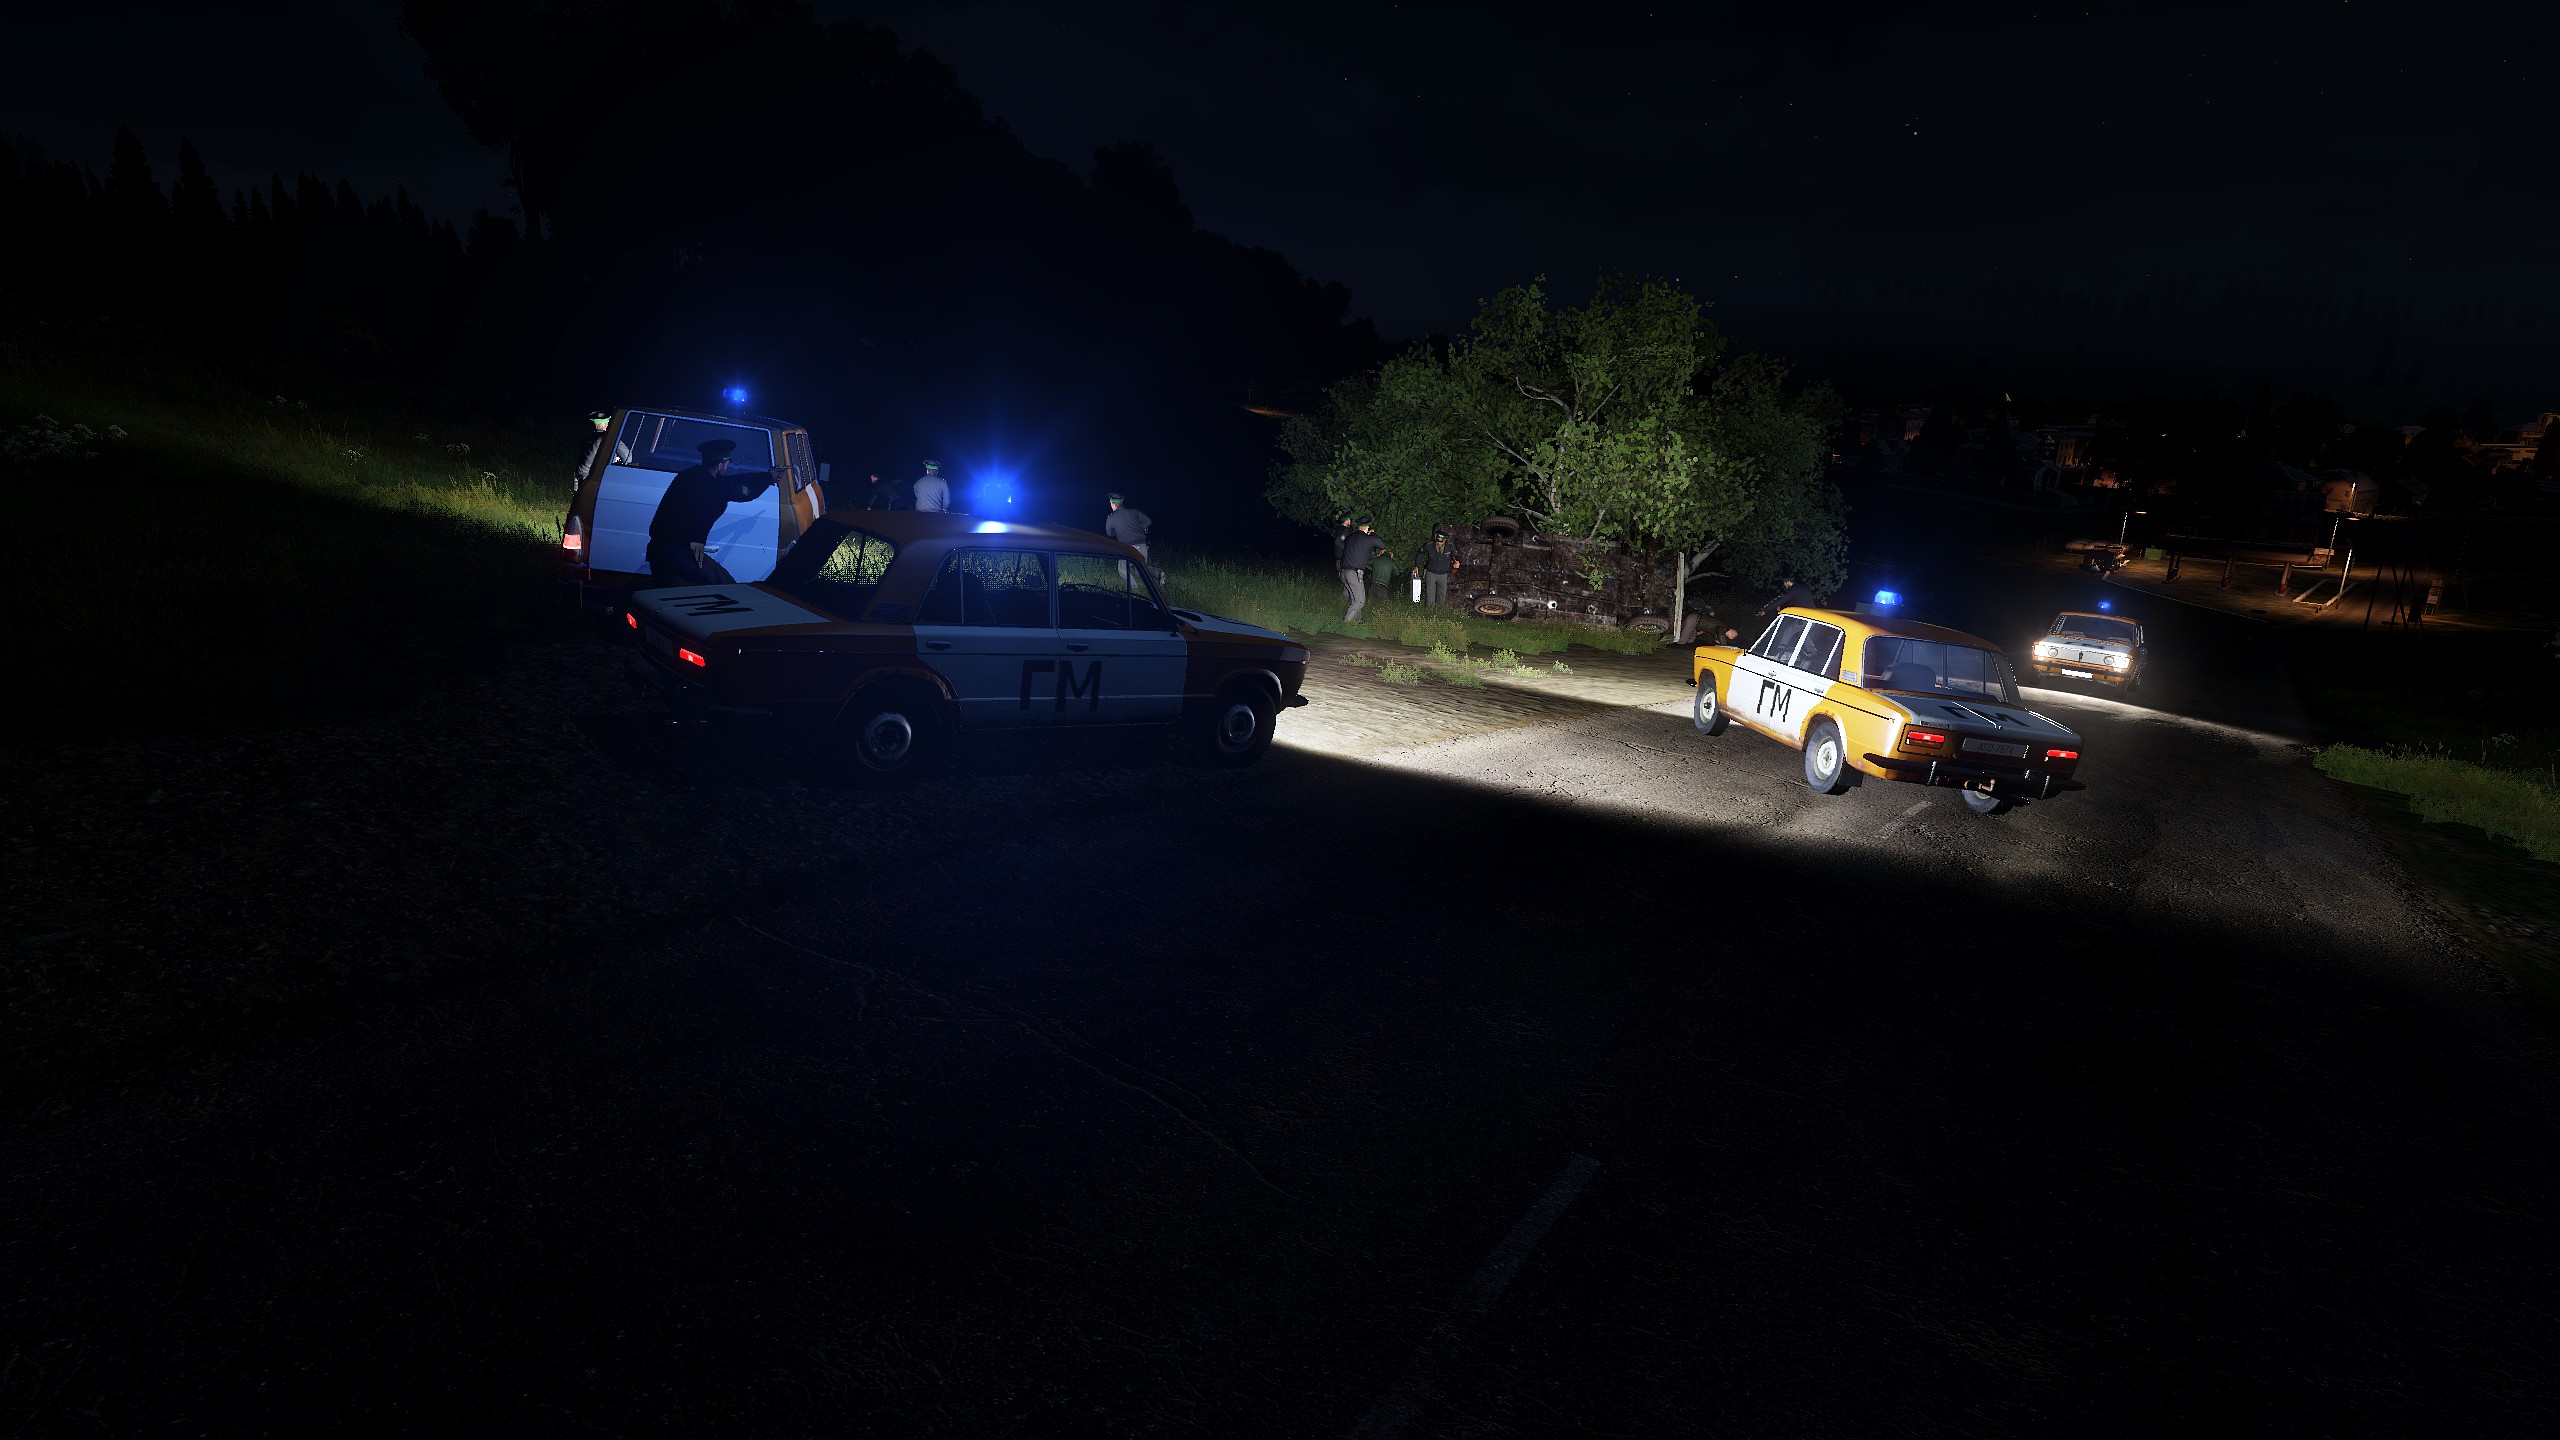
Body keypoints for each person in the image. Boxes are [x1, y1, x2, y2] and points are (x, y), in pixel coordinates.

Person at [645, 437, 776, 584]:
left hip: (659, 548)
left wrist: (765, 476)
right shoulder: (715, 488)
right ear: (720, 465)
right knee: (723, 584)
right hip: (680, 552)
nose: (727, 466)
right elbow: (747, 493)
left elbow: (736, 479)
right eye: (727, 463)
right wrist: (768, 479)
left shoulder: (690, 475)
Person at [1338, 517, 1390, 623]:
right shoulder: (1368, 538)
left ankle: (1359, 620)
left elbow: (1360, 550)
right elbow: (1382, 545)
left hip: (1343, 572)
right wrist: (1372, 534)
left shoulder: (1351, 537)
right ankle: (1345, 622)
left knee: (1354, 598)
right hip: (1354, 573)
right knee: (1360, 600)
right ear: (1368, 527)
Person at [571, 410, 631, 494]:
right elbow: (627, 457)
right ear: (605, 423)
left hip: (582, 476)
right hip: (596, 478)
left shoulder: (589, 438)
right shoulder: (609, 438)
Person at [1104, 493, 1153, 577]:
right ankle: (1157, 573)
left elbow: (1109, 534)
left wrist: (1118, 530)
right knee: (1141, 570)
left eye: (1110, 503)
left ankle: (1134, 588)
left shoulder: (1111, 517)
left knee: (1123, 569)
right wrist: (1138, 529)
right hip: (1142, 546)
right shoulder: (1134, 512)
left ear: (1113, 504)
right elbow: (1148, 521)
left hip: (1128, 548)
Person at [1411, 525, 1462, 606]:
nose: (1439, 543)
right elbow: (1420, 553)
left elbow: (1456, 556)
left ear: (1445, 540)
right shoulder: (1429, 545)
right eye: (1437, 541)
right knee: (1430, 595)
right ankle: (1429, 613)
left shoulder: (1450, 546)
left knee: (1441, 596)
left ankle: (1438, 613)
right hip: (1431, 573)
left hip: (1443, 574)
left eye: (1441, 541)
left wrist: (1457, 562)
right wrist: (1416, 566)